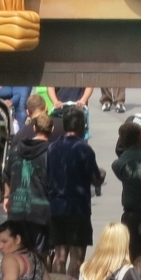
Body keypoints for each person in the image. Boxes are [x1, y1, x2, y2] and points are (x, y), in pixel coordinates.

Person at [44, 106, 101, 251]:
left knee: (60, 255)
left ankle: (58, 268)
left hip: (56, 206)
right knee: (77, 255)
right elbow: (95, 179)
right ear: (82, 125)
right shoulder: (84, 149)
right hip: (78, 208)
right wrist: (101, 175)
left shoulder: (52, 147)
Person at [2, 113, 53, 236]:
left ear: (34, 128)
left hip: (16, 210)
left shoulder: (15, 151)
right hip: (41, 213)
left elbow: (7, 176)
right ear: (52, 129)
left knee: (19, 246)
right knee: (39, 247)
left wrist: (7, 197)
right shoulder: (52, 152)